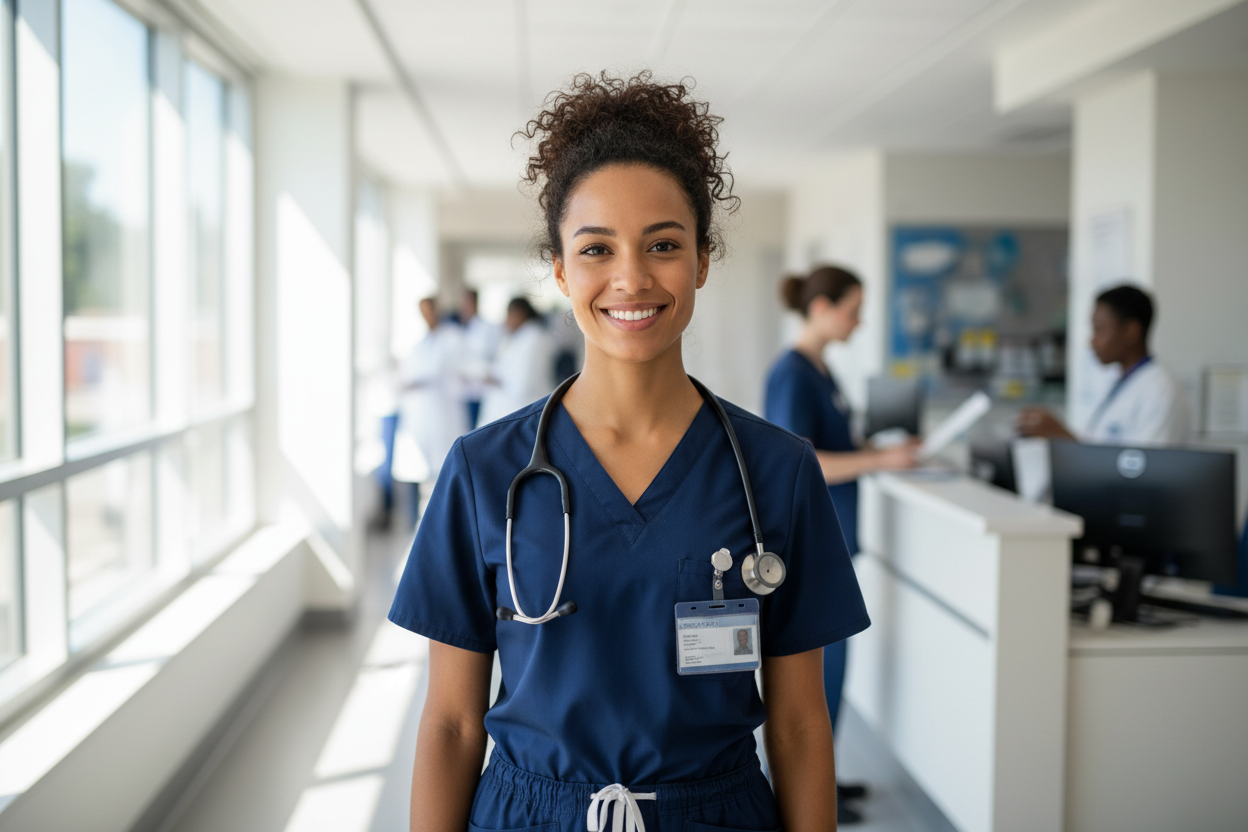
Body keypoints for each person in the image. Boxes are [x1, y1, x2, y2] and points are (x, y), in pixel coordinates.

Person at [390, 72, 869, 832]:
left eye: (663, 245)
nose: (631, 278)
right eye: (596, 249)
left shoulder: (778, 471)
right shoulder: (484, 471)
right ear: (560, 269)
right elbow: (450, 722)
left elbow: (801, 724)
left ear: (702, 260)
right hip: (531, 815)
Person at [763, 265, 919, 825]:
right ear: (822, 308)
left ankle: (824, 781)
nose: (860, 321)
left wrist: (872, 448)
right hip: (810, 545)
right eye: (853, 310)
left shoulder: (819, 369)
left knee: (834, 669)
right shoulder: (793, 374)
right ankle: (810, 792)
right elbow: (804, 463)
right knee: (821, 674)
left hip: (834, 540)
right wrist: (881, 459)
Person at [1018, 284, 1189, 445]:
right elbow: (1099, 446)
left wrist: (1060, 435)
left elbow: (1141, 462)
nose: (1092, 341)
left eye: (1099, 330)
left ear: (1130, 331)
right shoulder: (1122, 383)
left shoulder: (1161, 391)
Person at [392, 298, 468, 518]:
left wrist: (418, 380)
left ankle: (446, 516)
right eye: (422, 312)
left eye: (429, 311)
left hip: (443, 410)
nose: (427, 316)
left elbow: (444, 369)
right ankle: (420, 519)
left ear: (437, 310)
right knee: (419, 468)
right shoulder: (419, 342)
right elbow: (408, 373)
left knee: (444, 466)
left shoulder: (452, 336)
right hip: (421, 413)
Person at [477, 297, 556, 426]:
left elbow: (524, 384)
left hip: (524, 409)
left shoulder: (534, 338)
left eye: (509, 315)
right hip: (514, 408)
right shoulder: (518, 337)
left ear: (520, 313)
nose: (506, 320)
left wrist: (496, 380)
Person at [458, 289, 502, 430]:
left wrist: (482, 372)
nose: (465, 307)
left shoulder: (488, 328)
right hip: (465, 389)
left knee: (481, 428)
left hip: (483, 388)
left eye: (468, 303)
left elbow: (494, 356)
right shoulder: (460, 329)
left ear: (476, 303)